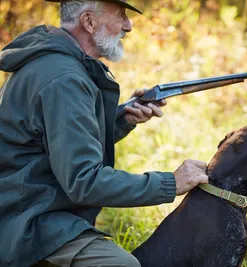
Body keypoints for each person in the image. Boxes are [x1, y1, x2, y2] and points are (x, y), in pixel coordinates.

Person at [0, 0, 209, 266]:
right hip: (27, 223)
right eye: (121, 15)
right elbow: (84, 181)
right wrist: (170, 183)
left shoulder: (50, 62)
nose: (128, 26)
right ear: (88, 21)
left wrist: (123, 119)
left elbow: (54, 139)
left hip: (27, 207)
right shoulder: (65, 79)